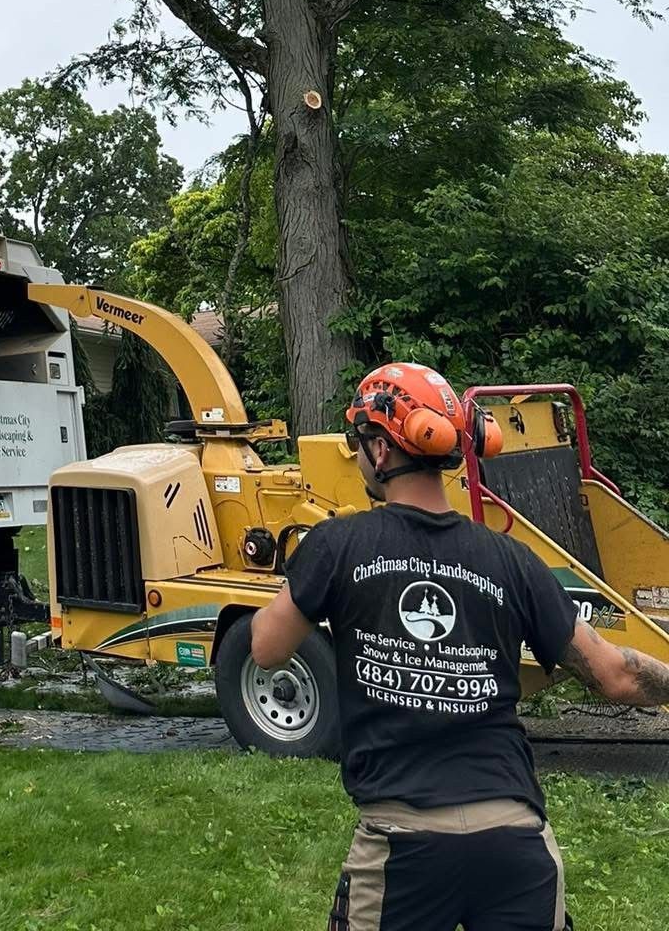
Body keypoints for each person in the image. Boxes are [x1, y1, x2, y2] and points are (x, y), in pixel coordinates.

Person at [249, 362, 669, 931]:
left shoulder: (338, 544)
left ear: (379, 451)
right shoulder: (513, 560)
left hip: (402, 843)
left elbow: (268, 648)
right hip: (516, 838)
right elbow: (616, 675)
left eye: (360, 442)